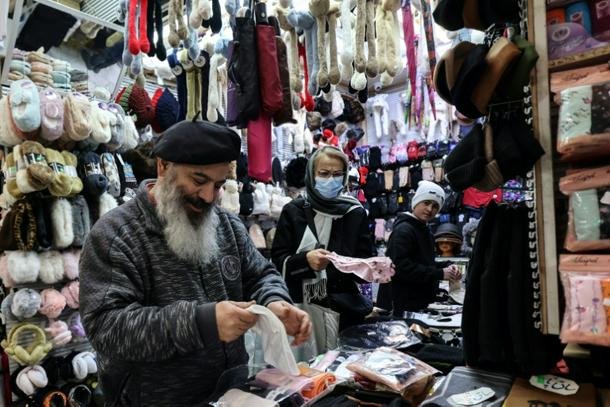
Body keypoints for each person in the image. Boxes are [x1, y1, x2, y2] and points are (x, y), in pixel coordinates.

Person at [79, 118, 311, 406]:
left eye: (219, 185)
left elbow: (260, 274)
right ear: (163, 167)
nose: (208, 196)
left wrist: (274, 301)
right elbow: (107, 329)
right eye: (198, 181)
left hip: (232, 395)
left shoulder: (227, 225)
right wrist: (201, 323)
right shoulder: (116, 234)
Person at [271, 146, 373, 333]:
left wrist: (367, 267)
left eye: (337, 174)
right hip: (300, 309)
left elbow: (364, 263)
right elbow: (278, 261)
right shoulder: (293, 211)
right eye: (324, 174)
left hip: (344, 312)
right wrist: (306, 261)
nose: (331, 180)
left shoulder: (354, 213)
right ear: (312, 175)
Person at [386, 181, 462, 316]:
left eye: (435, 206)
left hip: (417, 303)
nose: (430, 209)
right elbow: (401, 267)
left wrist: (447, 266)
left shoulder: (423, 230)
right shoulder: (404, 230)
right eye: (426, 203)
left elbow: (423, 262)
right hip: (403, 305)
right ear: (416, 202)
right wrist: (439, 273)